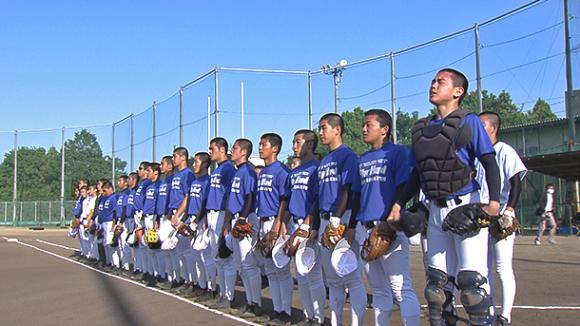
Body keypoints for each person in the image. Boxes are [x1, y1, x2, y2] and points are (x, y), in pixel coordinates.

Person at [387, 68, 501, 326]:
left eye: (441, 81)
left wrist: (493, 204)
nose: (434, 85)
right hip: (435, 211)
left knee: (471, 287)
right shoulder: (421, 129)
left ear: (458, 91)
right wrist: (398, 203)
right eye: (433, 81)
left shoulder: (467, 121)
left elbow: (489, 163)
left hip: (465, 208)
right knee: (436, 289)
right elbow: (418, 173)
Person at [351, 109, 420, 326]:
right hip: (366, 228)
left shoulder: (398, 153)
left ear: (384, 129)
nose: (363, 129)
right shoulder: (362, 159)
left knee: (400, 288)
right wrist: (352, 225)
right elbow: (357, 195)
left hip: (389, 226)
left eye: (368, 124)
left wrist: (391, 217)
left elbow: (404, 186)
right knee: (379, 289)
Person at [477, 111, 527, 326]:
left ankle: (505, 315)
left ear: (493, 128)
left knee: (502, 267)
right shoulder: (476, 154)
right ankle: (488, 313)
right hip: (480, 216)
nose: (477, 130)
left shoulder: (504, 151)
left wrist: (510, 209)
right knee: (482, 268)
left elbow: (516, 182)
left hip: (500, 217)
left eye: (482, 126)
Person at [317, 113, 367, 326]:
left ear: (337, 130)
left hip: (342, 219)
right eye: (320, 128)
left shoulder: (348, 156)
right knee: (333, 280)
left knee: (352, 278)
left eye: (324, 128)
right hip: (325, 220)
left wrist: (343, 221)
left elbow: (350, 191)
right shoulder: (325, 159)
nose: (321, 132)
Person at [286, 129, 326, 325]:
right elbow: (287, 200)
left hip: (309, 225)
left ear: (310, 145)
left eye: (298, 142)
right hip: (294, 223)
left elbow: (318, 200)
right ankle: (308, 315)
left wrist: (309, 225)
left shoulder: (316, 168)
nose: (294, 146)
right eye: (293, 142)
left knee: (314, 273)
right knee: (300, 274)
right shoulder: (294, 172)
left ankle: (318, 318)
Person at [254, 133, 293, 325]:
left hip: (276, 223)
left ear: (275, 148)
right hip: (263, 222)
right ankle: (277, 309)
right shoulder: (262, 172)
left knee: (281, 269)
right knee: (270, 269)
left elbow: (285, 199)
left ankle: (285, 312)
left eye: (264, 144)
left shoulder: (281, 171)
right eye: (260, 144)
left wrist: (278, 224)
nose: (260, 148)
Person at [226, 138, 263, 318]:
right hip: (237, 218)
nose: (232, 151)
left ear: (243, 152)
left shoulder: (247, 171)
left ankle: (255, 304)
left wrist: (242, 218)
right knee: (241, 265)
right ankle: (250, 301)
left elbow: (250, 196)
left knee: (249, 265)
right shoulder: (238, 171)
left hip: (245, 218)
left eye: (234, 148)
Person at [204, 138, 237, 309]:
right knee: (217, 257)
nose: (210, 152)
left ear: (222, 149)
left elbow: (231, 195)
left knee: (226, 257)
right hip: (212, 214)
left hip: (222, 214)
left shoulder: (228, 169)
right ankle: (222, 293)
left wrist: (227, 221)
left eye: (212, 149)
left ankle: (228, 296)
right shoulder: (216, 169)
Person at [187, 152, 214, 300]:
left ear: (204, 164)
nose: (194, 165)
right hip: (193, 219)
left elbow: (204, 204)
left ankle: (211, 288)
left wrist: (198, 222)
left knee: (206, 256)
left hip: (202, 220)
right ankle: (201, 286)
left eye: (196, 162)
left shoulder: (207, 181)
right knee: (196, 255)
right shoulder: (195, 182)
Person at [168, 147, 196, 290]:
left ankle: (192, 282)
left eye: (175, 156)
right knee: (179, 251)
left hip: (181, 214)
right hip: (174, 213)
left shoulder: (188, 174)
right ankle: (185, 280)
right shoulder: (176, 175)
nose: (173, 159)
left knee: (188, 251)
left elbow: (188, 196)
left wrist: (179, 215)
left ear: (183, 157)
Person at [156, 156, 176, 289]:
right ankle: (169, 277)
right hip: (162, 216)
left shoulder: (172, 179)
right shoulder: (164, 181)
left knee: (173, 250)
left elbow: (174, 199)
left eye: (163, 164)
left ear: (169, 166)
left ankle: (176, 278)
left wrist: (170, 215)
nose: (160, 166)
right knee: (165, 250)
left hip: (171, 216)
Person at [142, 162, 162, 286]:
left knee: (156, 247)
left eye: (149, 171)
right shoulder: (149, 186)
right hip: (147, 217)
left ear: (156, 172)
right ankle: (153, 273)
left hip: (154, 217)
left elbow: (158, 204)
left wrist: (157, 220)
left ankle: (160, 274)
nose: (147, 173)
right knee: (149, 247)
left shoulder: (159, 185)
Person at [115, 175, 131, 273]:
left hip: (125, 220)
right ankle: (123, 264)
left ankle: (127, 266)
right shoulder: (121, 194)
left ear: (126, 183)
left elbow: (125, 209)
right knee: (120, 243)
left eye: (120, 181)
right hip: (120, 219)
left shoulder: (127, 193)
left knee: (125, 244)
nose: (118, 183)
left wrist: (121, 222)